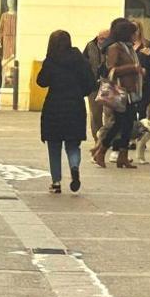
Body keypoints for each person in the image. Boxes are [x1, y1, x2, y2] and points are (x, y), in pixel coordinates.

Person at [37, 30, 97, 193]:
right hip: (75, 106)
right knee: (72, 145)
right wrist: (80, 92)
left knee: (54, 146)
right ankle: (75, 167)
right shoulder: (80, 60)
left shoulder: (51, 61)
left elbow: (41, 82)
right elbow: (91, 82)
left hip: (54, 107)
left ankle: (56, 182)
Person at [94, 18, 142, 169]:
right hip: (120, 91)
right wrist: (134, 68)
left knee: (128, 124)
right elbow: (111, 70)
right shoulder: (115, 47)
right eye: (133, 33)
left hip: (131, 91)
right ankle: (101, 151)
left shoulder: (128, 47)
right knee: (118, 123)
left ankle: (123, 155)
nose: (135, 36)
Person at [83, 28, 110, 144]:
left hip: (108, 84)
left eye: (105, 39)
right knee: (95, 114)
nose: (102, 41)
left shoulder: (112, 47)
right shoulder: (90, 46)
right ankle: (97, 139)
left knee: (109, 113)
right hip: (93, 84)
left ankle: (109, 138)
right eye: (100, 38)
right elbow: (84, 63)